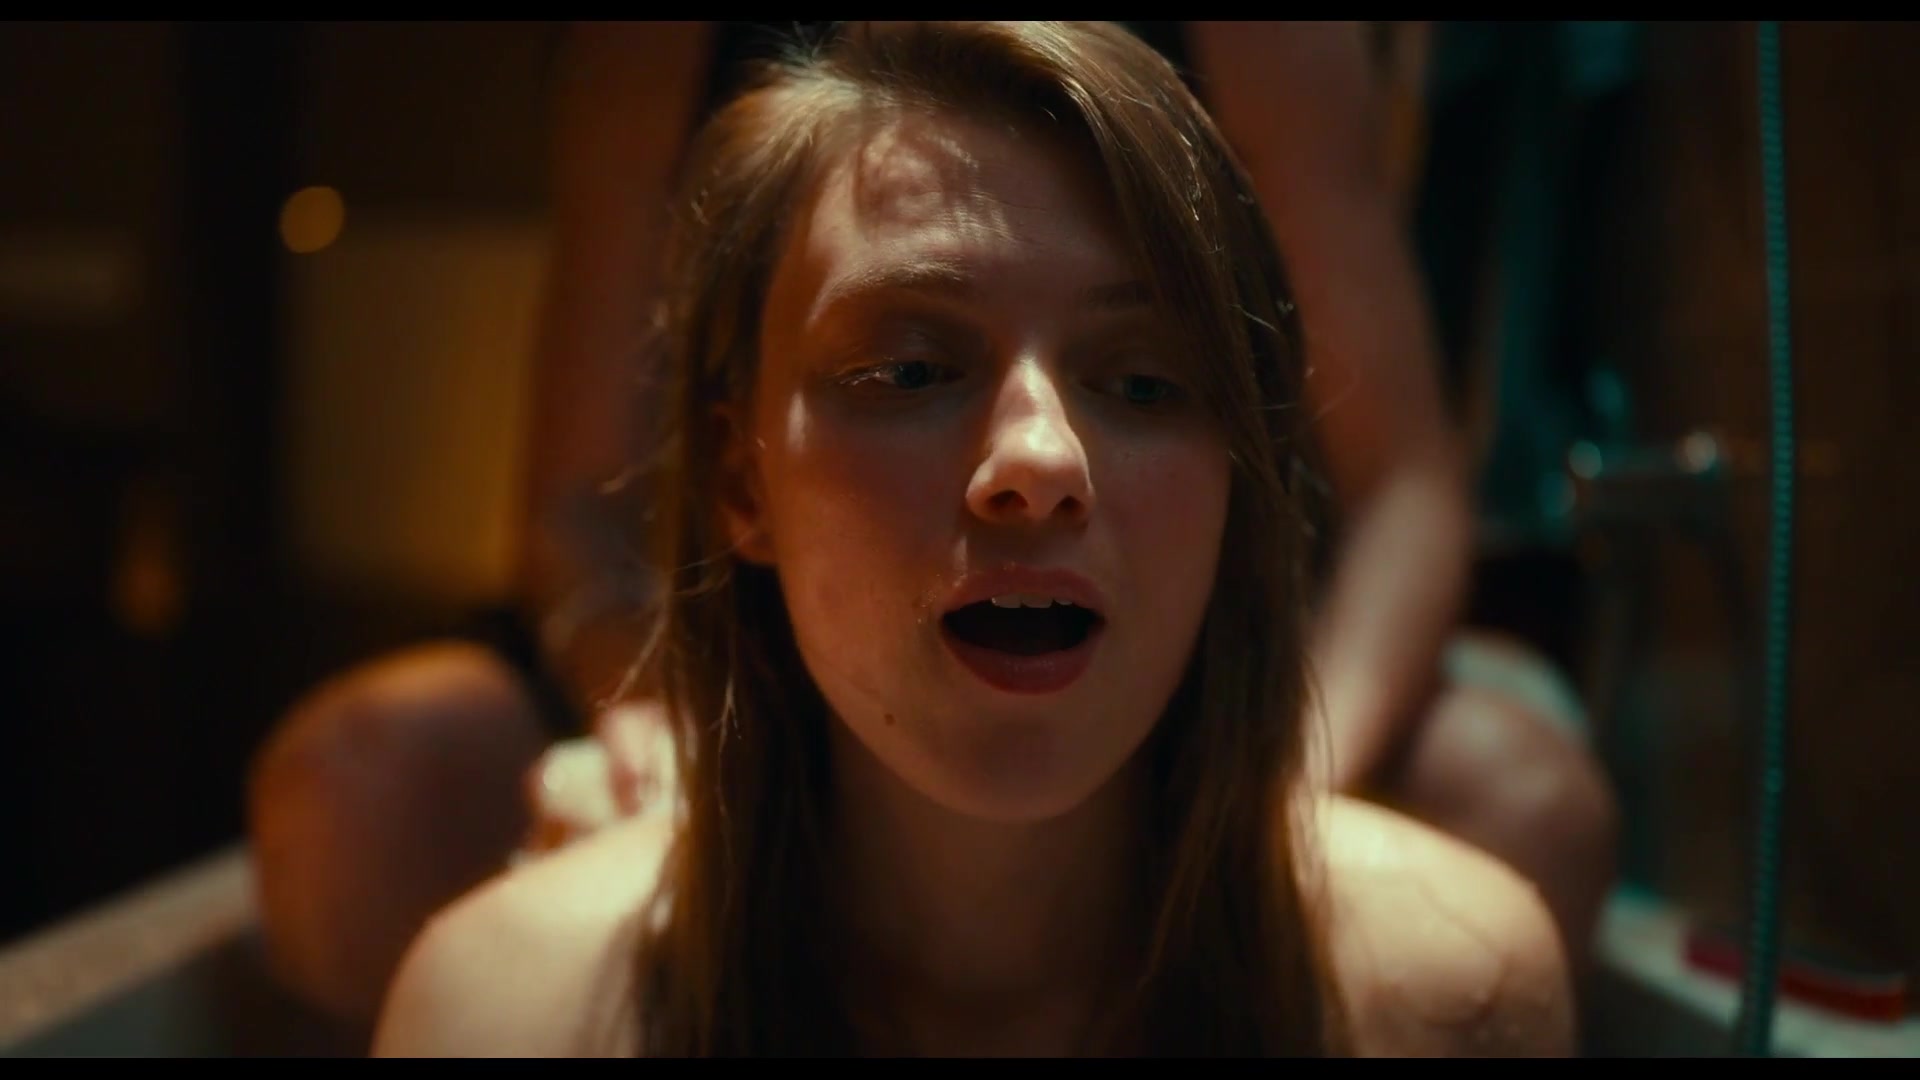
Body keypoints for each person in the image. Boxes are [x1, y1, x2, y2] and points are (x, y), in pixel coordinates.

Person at [247, 19, 1615, 1038]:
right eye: (909, 369)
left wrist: (1275, 784)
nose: (1038, 460)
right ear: (741, 474)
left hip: (1219, 669)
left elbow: (1405, 488)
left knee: (1519, 795)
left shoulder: (1461, 969)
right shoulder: (492, 1003)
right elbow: (574, 505)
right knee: (361, 790)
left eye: (1144, 382)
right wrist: (676, 734)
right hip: (732, 636)